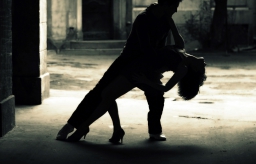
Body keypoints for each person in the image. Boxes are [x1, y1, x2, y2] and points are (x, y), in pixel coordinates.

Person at [57, 0, 185, 142]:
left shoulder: (166, 20)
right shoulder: (143, 19)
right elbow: (147, 50)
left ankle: (154, 131)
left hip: (148, 63)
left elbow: (180, 46)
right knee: (99, 91)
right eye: (174, 6)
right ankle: (71, 125)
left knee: (156, 96)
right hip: (127, 61)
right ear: (165, 4)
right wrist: (167, 51)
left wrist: (171, 25)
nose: (176, 10)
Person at [65, 46, 207, 142]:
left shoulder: (183, 68)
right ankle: (116, 130)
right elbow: (172, 32)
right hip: (136, 67)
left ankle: (85, 127)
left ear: (194, 69)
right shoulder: (182, 49)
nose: (205, 64)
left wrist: (145, 80)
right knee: (107, 94)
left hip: (139, 73)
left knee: (107, 94)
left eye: (202, 69)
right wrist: (169, 20)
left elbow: (165, 89)